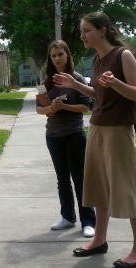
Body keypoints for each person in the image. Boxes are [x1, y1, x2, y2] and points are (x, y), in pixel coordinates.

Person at [53, 12, 136, 268]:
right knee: (98, 188)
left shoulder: (122, 55)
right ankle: (100, 240)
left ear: (102, 30)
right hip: (96, 127)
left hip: (118, 130)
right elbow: (98, 94)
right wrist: (74, 84)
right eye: (82, 31)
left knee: (127, 189)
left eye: (86, 30)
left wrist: (116, 82)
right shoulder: (96, 60)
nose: (82, 35)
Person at [36, 40, 96, 238]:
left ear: (67, 55)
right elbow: (39, 108)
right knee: (62, 180)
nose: (57, 59)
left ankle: (88, 221)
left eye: (60, 54)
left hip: (74, 135)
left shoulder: (76, 78)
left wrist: (65, 107)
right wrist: (50, 109)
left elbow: (86, 107)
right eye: (53, 56)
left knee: (79, 178)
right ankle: (67, 217)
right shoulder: (47, 81)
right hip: (53, 136)